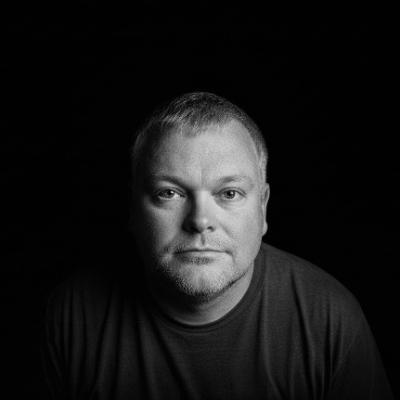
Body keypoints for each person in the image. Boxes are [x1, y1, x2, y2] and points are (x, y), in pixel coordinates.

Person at [42, 92, 394, 399]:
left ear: (263, 207)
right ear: (133, 208)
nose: (199, 220)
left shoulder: (329, 318)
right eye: (169, 193)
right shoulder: (71, 317)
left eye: (229, 193)